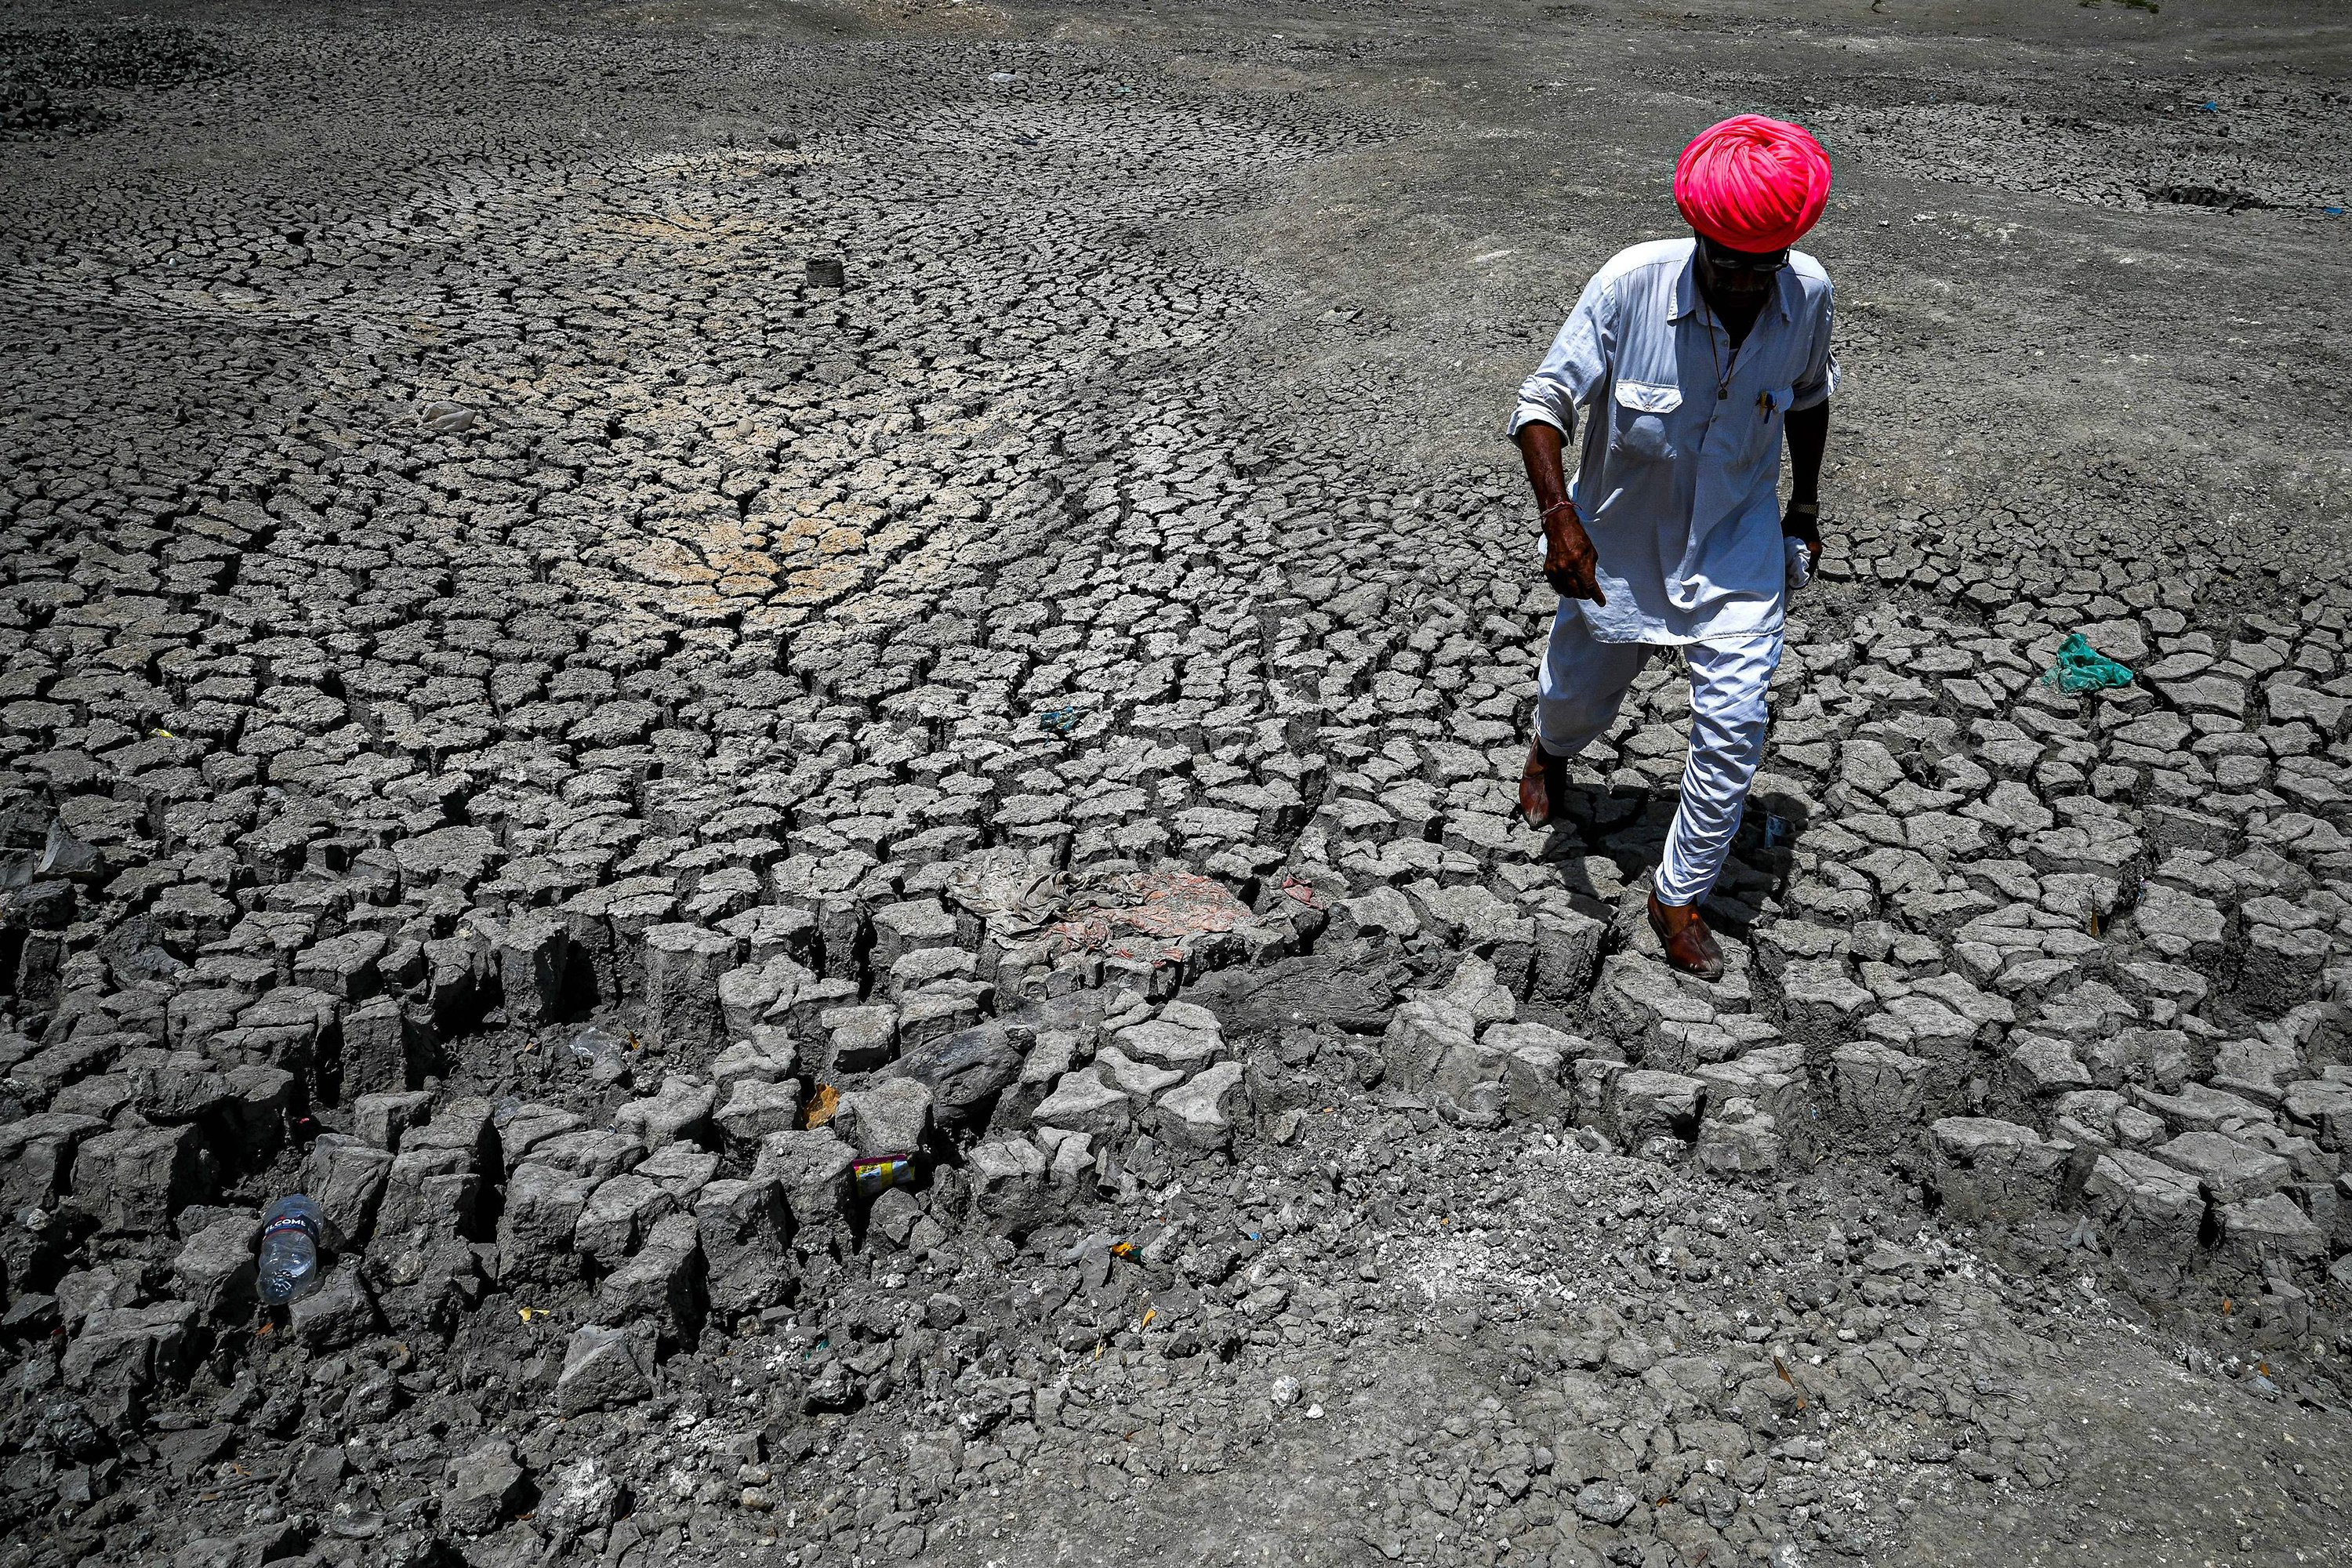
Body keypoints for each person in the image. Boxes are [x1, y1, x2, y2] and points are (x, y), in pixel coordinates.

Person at [1509, 114, 1838, 981]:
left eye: (1761, 267)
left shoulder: (1807, 294)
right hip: (1617, 545)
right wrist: (1562, 519)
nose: (1743, 283)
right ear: (1698, 233)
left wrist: (1802, 507)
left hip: (1737, 547)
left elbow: (1806, 399)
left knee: (1734, 725)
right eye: (1727, 262)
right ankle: (1548, 749)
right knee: (1579, 698)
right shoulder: (1629, 284)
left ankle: (1678, 892)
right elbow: (1542, 403)